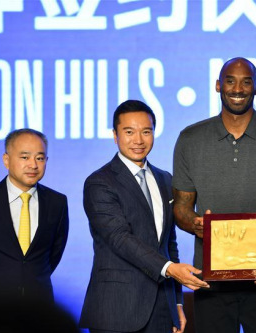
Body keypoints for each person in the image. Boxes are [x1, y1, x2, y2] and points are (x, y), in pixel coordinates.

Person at [172, 57, 256, 333]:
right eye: (230, 81)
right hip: (212, 279)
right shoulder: (190, 138)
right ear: (218, 85)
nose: (238, 88)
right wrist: (195, 224)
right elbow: (182, 208)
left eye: (246, 82)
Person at [79, 100, 209, 333]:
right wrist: (169, 269)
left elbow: (169, 244)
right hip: (117, 309)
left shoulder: (165, 180)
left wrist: (177, 303)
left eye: (146, 131)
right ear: (115, 135)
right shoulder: (99, 182)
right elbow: (119, 238)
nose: (138, 140)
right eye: (129, 132)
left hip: (161, 309)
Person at [0, 128, 69, 301]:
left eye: (40, 158)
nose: (33, 165)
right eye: (25, 157)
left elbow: (54, 253)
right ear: (6, 160)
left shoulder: (57, 202)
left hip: (40, 306)